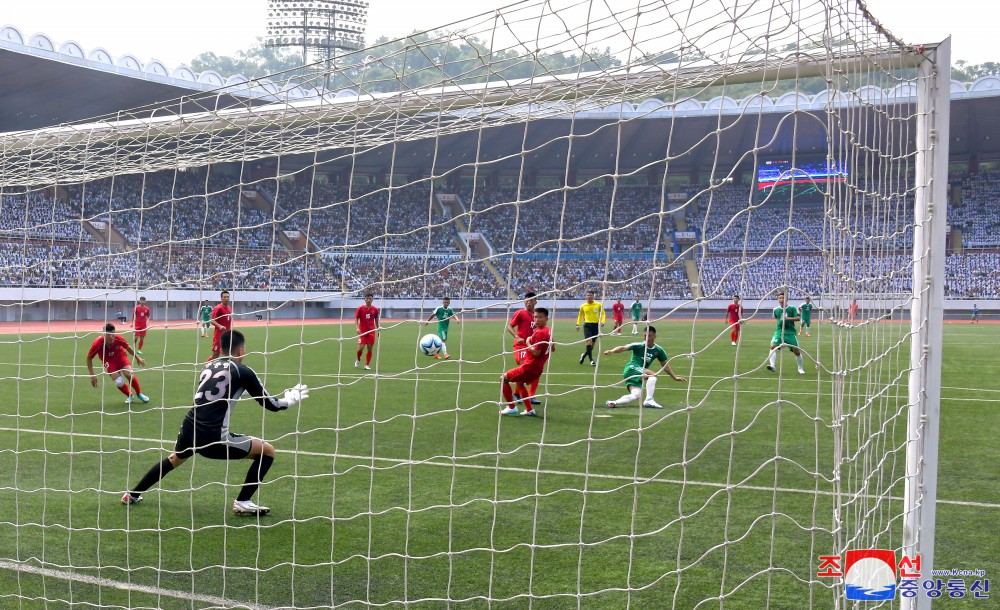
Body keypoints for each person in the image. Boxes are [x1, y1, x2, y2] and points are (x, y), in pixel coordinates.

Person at [121, 330, 309, 515]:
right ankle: (243, 501)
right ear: (241, 350)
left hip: (189, 428)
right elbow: (271, 404)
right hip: (213, 437)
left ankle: (133, 494)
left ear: (220, 348)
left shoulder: (209, 366)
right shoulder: (243, 370)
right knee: (268, 451)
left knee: (174, 459)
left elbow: (219, 391)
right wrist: (289, 400)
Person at [603, 326, 686, 409]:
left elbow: (665, 366)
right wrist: (612, 351)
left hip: (638, 372)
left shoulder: (658, 350)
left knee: (636, 394)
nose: (647, 338)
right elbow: (624, 347)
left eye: (649, 336)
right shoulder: (639, 345)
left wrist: (674, 377)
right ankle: (649, 400)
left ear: (654, 336)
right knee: (653, 375)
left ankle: (614, 402)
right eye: (645, 336)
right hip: (632, 368)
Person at [500, 308, 552, 417]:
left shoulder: (541, 333)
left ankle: (511, 407)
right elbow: (553, 348)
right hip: (538, 368)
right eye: (535, 317)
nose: (536, 319)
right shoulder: (548, 330)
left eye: (540, 317)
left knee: (503, 379)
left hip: (529, 367)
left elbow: (536, 352)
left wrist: (528, 342)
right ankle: (529, 410)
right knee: (519, 383)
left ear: (547, 318)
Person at [86, 322, 148, 404]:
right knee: (119, 381)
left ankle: (139, 394)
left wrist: (138, 358)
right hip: (109, 360)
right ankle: (130, 395)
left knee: (129, 374)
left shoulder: (118, 338)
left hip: (120, 356)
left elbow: (128, 348)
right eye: (108, 334)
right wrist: (92, 375)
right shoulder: (97, 343)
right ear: (104, 334)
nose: (111, 337)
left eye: (113, 333)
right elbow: (89, 358)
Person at [506, 291, 542, 405]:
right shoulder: (520, 313)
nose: (529, 303)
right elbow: (509, 326)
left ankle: (520, 394)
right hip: (520, 346)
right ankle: (524, 396)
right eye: (526, 301)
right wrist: (517, 337)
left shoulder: (536, 316)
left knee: (535, 370)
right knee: (525, 368)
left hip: (531, 347)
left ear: (536, 301)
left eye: (531, 300)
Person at [767, 292, 805, 375]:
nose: (781, 299)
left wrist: (787, 318)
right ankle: (772, 365)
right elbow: (777, 319)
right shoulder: (776, 310)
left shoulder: (792, 308)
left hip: (790, 332)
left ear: (787, 299)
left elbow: (798, 318)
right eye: (780, 298)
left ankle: (800, 368)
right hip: (779, 332)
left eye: (783, 298)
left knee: (797, 351)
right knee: (773, 346)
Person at [576, 290, 606, 366]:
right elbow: (580, 316)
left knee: (591, 346)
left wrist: (603, 321)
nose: (589, 297)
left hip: (595, 326)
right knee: (589, 342)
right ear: (586, 296)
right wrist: (578, 324)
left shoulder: (598, 305)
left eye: (590, 295)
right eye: (588, 295)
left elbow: (603, 313)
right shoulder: (583, 306)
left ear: (593, 296)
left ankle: (583, 355)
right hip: (587, 326)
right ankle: (591, 360)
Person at [355, 293, 379, 370]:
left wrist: (378, 329)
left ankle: (367, 364)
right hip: (362, 331)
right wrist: (357, 328)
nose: (368, 300)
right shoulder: (360, 308)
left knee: (370, 348)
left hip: (372, 331)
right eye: (367, 298)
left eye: (370, 299)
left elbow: (376, 321)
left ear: (372, 300)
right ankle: (358, 359)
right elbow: (356, 318)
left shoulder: (375, 309)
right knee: (360, 349)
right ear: (365, 299)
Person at [209, 290, 233, 361]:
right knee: (215, 355)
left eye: (228, 297)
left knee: (227, 354)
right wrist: (220, 326)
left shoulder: (229, 308)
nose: (226, 298)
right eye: (224, 297)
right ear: (221, 298)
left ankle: (225, 369)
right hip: (219, 336)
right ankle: (206, 367)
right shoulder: (218, 308)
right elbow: (212, 321)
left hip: (227, 336)